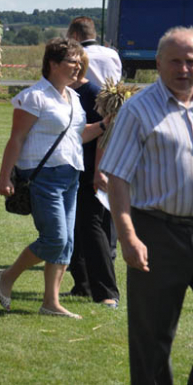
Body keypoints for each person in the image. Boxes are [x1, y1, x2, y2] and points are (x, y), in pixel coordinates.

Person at [100, 26, 193, 384]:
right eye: (176, 61)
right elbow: (117, 178)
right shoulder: (139, 109)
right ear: (157, 63)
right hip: (156, 232)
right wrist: (128, 237)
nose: (184, 69)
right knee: (151, 340)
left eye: (190, 61)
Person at [0, 38, 106, 319]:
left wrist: (106, 123)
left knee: (67, 242)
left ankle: (51, 302)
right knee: (55, 239)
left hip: (71, 175)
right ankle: (7, 277)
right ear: (53, 64)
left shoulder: (75, 98)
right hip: (42, 175)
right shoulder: (35, 96)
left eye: (79, 61)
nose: (78, 66)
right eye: (72, 61)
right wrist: (4, 176)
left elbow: (77, 137)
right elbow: (16, 139)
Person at [67, 53, 119, 307]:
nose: (75, 68)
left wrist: (99, 170)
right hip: (69, 169)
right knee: (74, 228)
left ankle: (107, 291)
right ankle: (82, 284)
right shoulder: (63, 92)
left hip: (90, 170)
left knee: (92, 226)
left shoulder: (94, 93)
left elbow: (104, 135)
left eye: (77, 63)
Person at [67, 16, 122, 87]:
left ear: (75, 36)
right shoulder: (113, 54)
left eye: (68, 37)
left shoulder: (75, 57)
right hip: (112, 97)